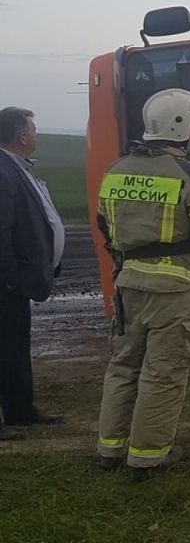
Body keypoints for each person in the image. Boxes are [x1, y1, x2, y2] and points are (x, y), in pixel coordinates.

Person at [94, 89, 190, 481]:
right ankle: (147, 458)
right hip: (175, 289)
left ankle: (110, 449)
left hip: (129, 285)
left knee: (122, 367)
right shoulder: (189, 174)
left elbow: (105, 225)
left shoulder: (116, 169)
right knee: (163, 372)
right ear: (181, 127)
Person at [0, 107, 65, 441]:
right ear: (22, 137)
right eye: (34, 130)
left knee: (14, 345)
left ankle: (20, 410)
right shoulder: (3, 171)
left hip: (15, 281)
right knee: (4, 346)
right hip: (6, 282)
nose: (37, 134)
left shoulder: (16, 168)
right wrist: (10, 277)